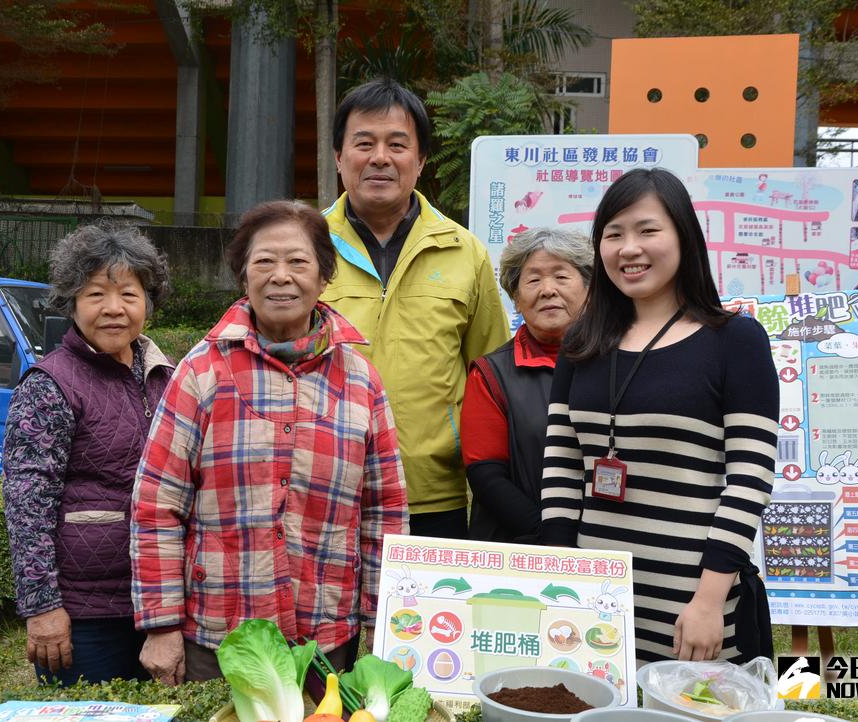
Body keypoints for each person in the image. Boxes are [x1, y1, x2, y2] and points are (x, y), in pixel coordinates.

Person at [131, 200, 408, 685]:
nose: (281, 276)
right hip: (220, 636)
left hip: (326, 638)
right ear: (243, 276)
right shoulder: (200, 372)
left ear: (324, 277)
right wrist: (161, 625)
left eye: (298, 262)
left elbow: (384, 512)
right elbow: (157, 503)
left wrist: (380, 624)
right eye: (264, 261)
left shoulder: (361, 381)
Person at [539, 168, 779, 665]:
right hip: (595, 606)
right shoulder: (581, 345)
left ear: (684, 237)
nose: (629, 248)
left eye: (648, 230)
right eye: (614, 234)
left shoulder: (735, 341)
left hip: (690, 606)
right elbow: (562, 469)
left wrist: (710, 602)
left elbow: (749, 479)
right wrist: (561, 582)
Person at [322, 77, 509, 539]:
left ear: (420, 160)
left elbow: (494, 374)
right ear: (339, 158)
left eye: (397, 144)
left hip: (435, 493)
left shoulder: (464, 252)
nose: (380, 157)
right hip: (323, 489)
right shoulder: (304, 250)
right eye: (364, 143)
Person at [2, 224, 174, 686]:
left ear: (147, 304)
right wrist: (42, 608)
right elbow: (26, 503)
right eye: (96, 293)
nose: (114, 308)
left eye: (129, 294)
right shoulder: (50, 384)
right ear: (72, 302)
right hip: (84, 614)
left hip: (160, 605)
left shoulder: (166, 376)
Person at [461, 227, 593, 544]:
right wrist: (552, 537)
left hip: (609, 546)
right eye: (533, 280)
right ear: (516, 300)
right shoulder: (491, 373)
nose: (547, 290)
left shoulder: (620, 362)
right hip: (519, 548)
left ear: (591, 290)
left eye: (561, 277)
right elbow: (487, 476)